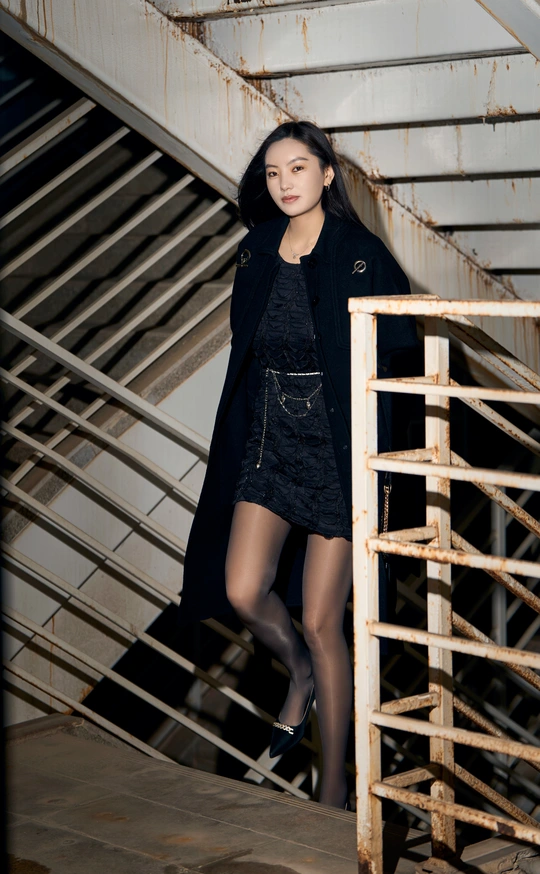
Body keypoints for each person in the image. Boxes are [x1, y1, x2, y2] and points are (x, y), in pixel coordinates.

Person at [178, 121, 417, 809]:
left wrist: (385, 466)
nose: (284, 182)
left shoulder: (361, 254)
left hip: (339, 455)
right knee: (242, 590)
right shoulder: (256, 249)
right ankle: (301, 675)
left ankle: (334, 787)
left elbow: (399, 360)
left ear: (327, 174)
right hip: (270, 444)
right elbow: (246, 352)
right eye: (273, 171)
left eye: (298, 168)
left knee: (321, 619)